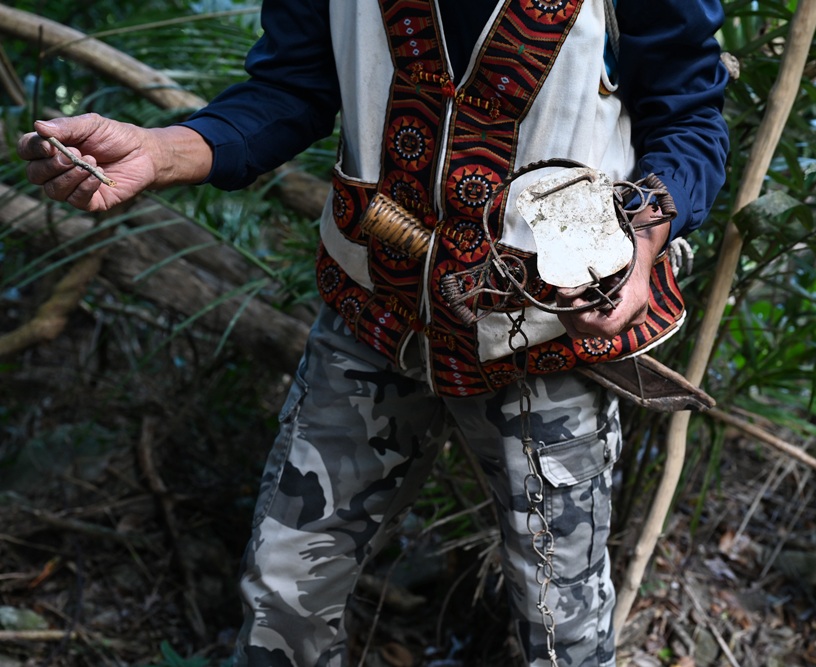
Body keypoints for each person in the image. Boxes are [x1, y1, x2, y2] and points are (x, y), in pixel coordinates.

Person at [18, 1, 729, 664]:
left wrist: (644, 232)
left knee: (563, 634)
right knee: (282, 598)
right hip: (373, 317)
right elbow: (290, 90)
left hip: (545, 340)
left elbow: (690, 118)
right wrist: (159, 149)